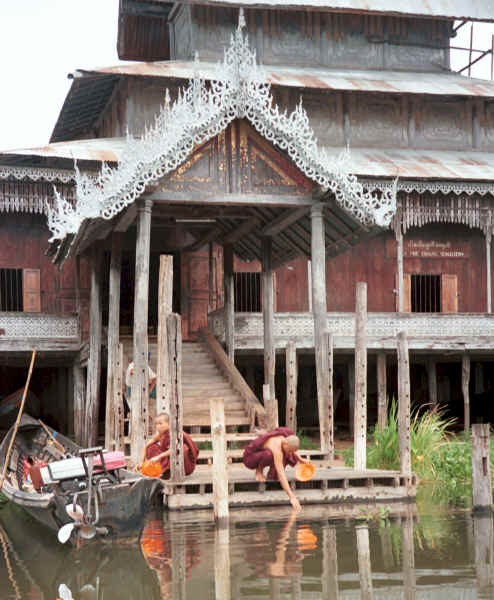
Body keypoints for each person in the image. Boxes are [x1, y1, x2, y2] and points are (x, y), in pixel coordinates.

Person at [243, 427, 309, 510]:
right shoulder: (276, 449)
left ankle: (270, 474)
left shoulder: (285, 438)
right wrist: (292, 497)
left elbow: (292, 449)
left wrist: (300, 459)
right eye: (289, 450)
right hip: (251, 457)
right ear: (285, 444)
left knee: (285, 457)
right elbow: (281, 474)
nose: (290, 453)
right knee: (269, 455)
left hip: (267, 451)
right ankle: (259, 471)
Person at [142, 413, 199, 477]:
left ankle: (168, 470)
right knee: (151, 447)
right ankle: (163, 469)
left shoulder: (174, 433)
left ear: (169, 424)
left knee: (182, 448)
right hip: (170, 460)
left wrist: (158, 457)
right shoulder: (160, 435)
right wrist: (142, 463)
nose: (158, 426)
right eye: (156, 424)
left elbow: (174, 449)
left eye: (160, 424)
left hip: (184, 464)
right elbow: (147, 446)